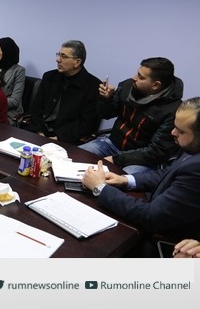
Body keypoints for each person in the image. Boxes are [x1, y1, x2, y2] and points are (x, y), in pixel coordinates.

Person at [82, 97, 200, 257]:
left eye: (181, 131)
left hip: (164, 242)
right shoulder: (192, 147)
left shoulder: (196, 168)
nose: (173, 133)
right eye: (175, 127)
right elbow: (166, 174)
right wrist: (125, 180)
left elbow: (150, 216)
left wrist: (100, 188)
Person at [79, 57, 183, 174]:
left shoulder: (173, 110)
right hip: (112, 144)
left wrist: (117, 159)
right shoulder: (127, 86)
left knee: (119, 179)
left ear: (155, 85)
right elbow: (106, 114)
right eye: (137, 73)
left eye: (141, 77)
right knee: (74, 156)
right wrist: (106, 99)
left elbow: (157, 152)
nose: (134, 78)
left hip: (141, 159)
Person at [27, 40, 100, 144]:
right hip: (39, 133)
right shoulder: (49, 77)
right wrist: (39, 133)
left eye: (64, 56)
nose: (58, 60)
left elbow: (85, 123)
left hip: (66, 139)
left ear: (77, 62)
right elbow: (36, 108)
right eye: (58, 55)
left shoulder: (93, 86)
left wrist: (58, 138)